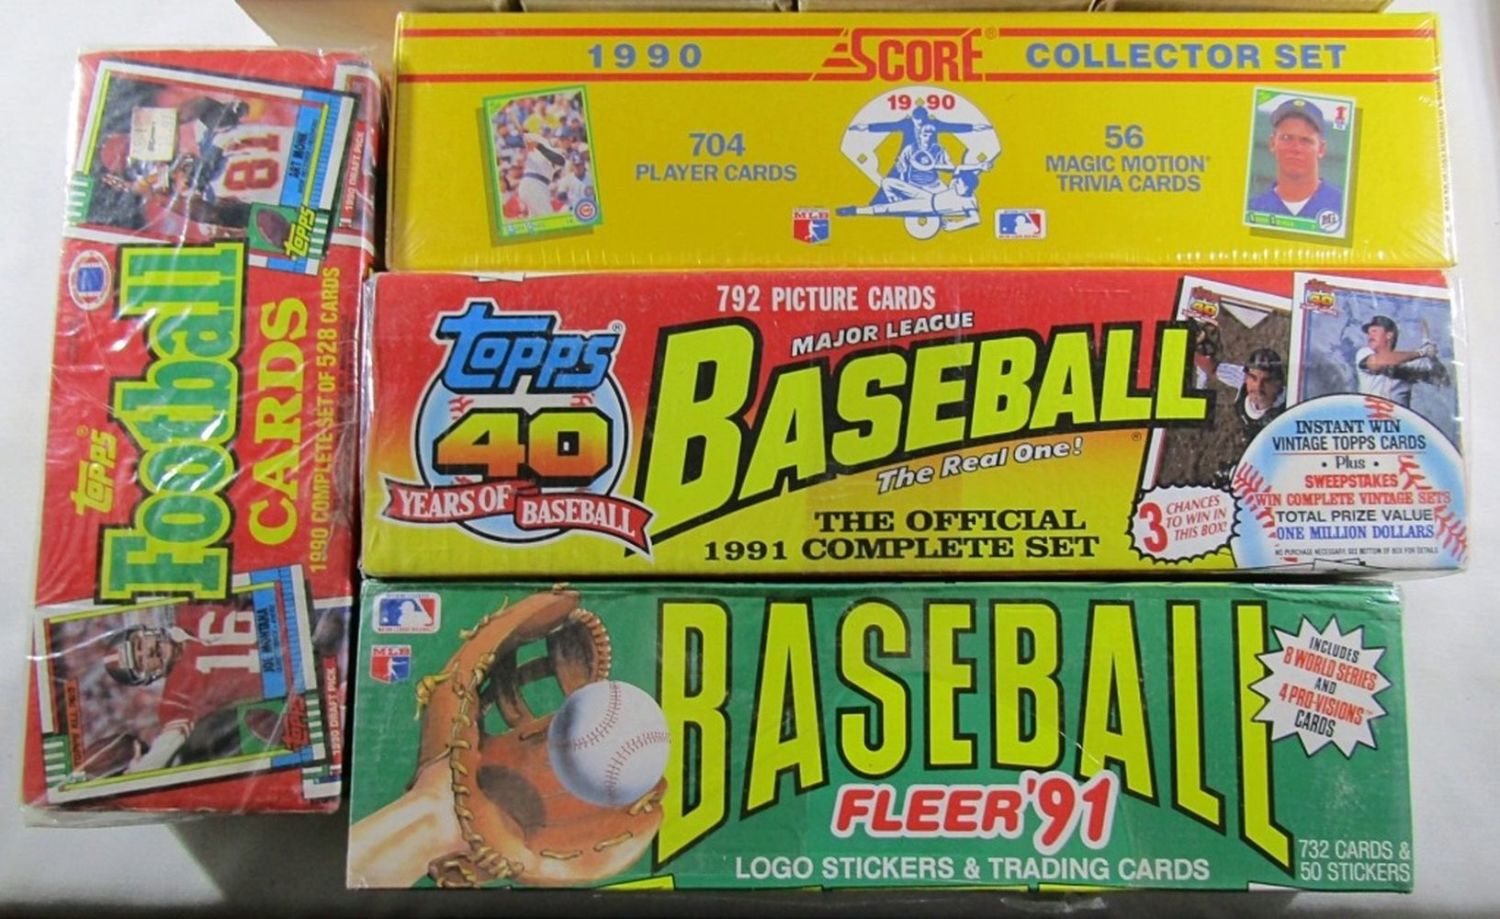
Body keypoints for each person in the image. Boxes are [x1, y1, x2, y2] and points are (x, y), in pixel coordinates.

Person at [101, 606, 268, 774]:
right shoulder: (176, 697)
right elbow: (169, 743)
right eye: (140, 662)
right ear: (146, 677)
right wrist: (142, 769)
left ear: (145, 632)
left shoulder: (188, 610)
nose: (148, 652)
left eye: (139, 645)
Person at [1247, 98, 1343, 220]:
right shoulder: (1252, 209)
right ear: (1272, 143)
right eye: (1286, 138)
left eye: (1306, 140)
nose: (1296, 148)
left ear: (1321, 149)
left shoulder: (1343, 206)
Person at [1355, 315, 1448, 407]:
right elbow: (1378, 362)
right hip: (1369, 414)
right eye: (1368, 333)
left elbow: (1441, 378)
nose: (1369, 336)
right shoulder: (1364, 353)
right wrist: (1421, 352)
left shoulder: (1410, 363)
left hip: (1399, 416)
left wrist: (1431, 356)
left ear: (1389, 335)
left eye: (1374, 331)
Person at [1196, 345, 1287, 438]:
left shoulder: (1288, 408)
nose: (1258, 386)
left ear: (1278, 384)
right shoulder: (1242, 379)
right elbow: (1213, 368)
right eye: (1253, 378)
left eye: (1266, 381)